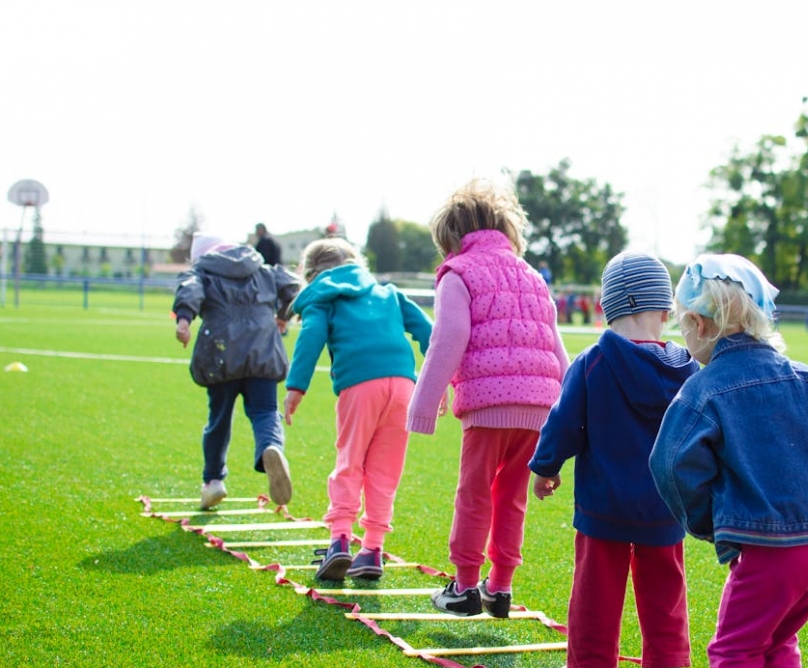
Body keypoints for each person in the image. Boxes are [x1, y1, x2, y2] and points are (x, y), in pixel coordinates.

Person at [649, 253, 808, 668]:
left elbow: (670, 462)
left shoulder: (703, 389)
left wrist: (708, 523)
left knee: (733, 650)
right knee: (777, 640)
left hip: (774, 548)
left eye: (683, 325)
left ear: (700, 325)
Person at [529, 252, 698, 668]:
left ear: (604, 308)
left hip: (603, 504)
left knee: (596, 590)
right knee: (665, 587)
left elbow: (564, 423)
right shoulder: (688, 368)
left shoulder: (592, 362)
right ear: (665, 310)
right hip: (666, 505)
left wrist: (545, 467)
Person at [407, 178, 570, 617]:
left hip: (488, 404)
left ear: (452, 238)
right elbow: (557, 347)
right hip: (540, 406)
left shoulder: (458, 273)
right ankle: (499, 587)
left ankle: (463, 588)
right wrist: (571, 414)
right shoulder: (533, 275)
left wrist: (425, 402)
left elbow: (450, 336)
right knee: (511, 495)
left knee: (474, 493)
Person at [283, 237, 433, 581]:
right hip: (403, 386)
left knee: (350, 461)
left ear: (311, 274)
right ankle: (372, 550)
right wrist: (439, 382)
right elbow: (430, 332)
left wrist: (296, 386)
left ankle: (339, 541)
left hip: (360, 384)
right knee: (385, 470)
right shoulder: (389, 293)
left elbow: (311, 335)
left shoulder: (324, 296)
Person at [173, 231, 300, 511]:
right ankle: (271, 447)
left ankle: (214, 481)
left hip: (221, 353)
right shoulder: (261, 268)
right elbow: (292, 286)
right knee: (266, 411)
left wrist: (184, 319)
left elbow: (190, 289)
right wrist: (283, 315)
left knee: (219, 418)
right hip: (264, 350)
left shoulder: (203, 271)